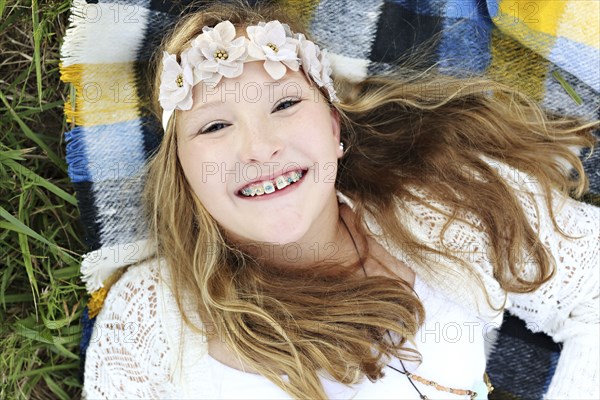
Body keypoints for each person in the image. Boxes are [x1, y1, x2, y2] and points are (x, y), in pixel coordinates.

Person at [82, 3, 599, 399]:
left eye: (285, 103)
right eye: (216, 125)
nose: (260, 148)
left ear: (335, 129)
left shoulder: (441, 208)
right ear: (183, 174)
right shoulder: (148, 316)